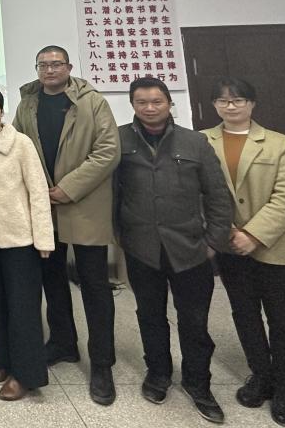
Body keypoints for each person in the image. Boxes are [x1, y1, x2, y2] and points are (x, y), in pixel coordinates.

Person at [114, 77, 233, 423]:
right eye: (141, 102)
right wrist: (120, 235)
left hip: (190, 247)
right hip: (142, 247)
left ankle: (198, 382)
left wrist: (214, 241)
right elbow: (112, 192)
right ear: (133, 105)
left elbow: (218, 195)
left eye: (157, 101)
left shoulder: (195, 142)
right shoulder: (119, 140)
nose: (149, 108)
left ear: (169, 103)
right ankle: (158, 373)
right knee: (150, 315)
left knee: (194, 320)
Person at [11, 44, 120, 405]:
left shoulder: (92, 102)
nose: (49, 70)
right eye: (43, 65)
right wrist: (40, 191)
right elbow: (17, 147)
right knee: (52, 280)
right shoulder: (28, 103)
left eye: (56, 64)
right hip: (45, 207)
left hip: (84, 204)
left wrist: (67, 188)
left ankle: (102, 363)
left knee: (94, 285)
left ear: (69, 67)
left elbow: (107, 151)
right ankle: (63, 342)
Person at [203, 78, 285, 428]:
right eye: (223, 101)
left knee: (283, 318)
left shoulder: (279, 143)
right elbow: (199, 191)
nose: (230, 106)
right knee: (245, 313)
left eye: (238, 100)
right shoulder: (202, 141)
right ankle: (261, 376)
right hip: (230, 244)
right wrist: (227, 231)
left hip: (276, 243)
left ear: (252, 103)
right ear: (214, 105)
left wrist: (254, 234)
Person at [0, 85, 54, 401]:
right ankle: (4, 362)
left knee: (23, 308)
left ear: (1, 110)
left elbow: (38, 191)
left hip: (21, 240)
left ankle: (26, 375)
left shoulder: (21, 143)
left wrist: (43, 237)